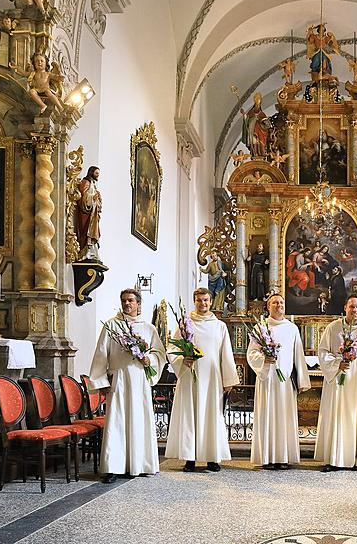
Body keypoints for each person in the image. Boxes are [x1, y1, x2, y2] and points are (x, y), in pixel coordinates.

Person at [89, 289, 166, 483]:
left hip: (139, 381)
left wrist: (150, 360)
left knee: (139, 421)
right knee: (117, 422)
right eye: (124, 300)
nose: (127, 304)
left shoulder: (148, 328)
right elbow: (101, 354)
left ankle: (140, 464)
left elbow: (160, 354)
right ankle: (113, 467)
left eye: (131, 300)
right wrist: (101, 382)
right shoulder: (111, 326)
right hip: (119, 380)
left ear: (138, 303)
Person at [165, 288, 239, 472]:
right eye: (199, 300)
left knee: (211, 416)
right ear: (194, 301)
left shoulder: (219, 326)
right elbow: (172, 349)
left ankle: (212, 458)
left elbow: (226, 354)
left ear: (211, 301)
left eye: (206, 300)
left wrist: (228, 380)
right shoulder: (185, 324)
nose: (203, 303)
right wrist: (183, 360)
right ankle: (189, 458)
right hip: (190, 376)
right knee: (190, 414)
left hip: (213, 378)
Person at [247, 294, 311, 469]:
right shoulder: (260, 327)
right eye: (275, 302)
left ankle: (283, 458)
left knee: (284, 418)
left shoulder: (292, 329)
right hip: (267, 380)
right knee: (268, 415)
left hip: (285, 383)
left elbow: (298, 354)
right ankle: (267, 458)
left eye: (281, 302)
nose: (279, 305)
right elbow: (251, 353)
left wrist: (302, 381)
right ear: (268, 306)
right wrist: (264, 360)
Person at [316, 295, 357, 472]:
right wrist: (338, 363)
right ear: (345, 307)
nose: (355, 310)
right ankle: (332, 459)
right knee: (334, 417)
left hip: (354, 382)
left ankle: (352, 460)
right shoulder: (333, 327)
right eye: (352, 307)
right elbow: (322, 352)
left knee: (352, 418)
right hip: (336, 380)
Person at [75, 166, 102, 260]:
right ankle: (84, 252)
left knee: (94, 232)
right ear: (91, 173)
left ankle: (91, 252)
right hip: (86, 213)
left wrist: (98, 198)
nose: (98, 175)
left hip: (93, 214)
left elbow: (95, 198)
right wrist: (92, 197)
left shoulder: (93, 184)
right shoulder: (85, 182)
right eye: (96, 173)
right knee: (86, 232)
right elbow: (83, 198)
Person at [241, 93, 270, 157]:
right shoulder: (250, 113)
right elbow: (247, 120)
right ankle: (254, 153)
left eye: (258, 104)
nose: (258, 106)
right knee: (254, 142)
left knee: (260, 143)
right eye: (257, 104)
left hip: (260, 132)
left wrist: (265, 122)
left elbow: (267, 125)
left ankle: (261, 153)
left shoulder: (262, 114)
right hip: (252, 131)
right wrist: (244, 115)